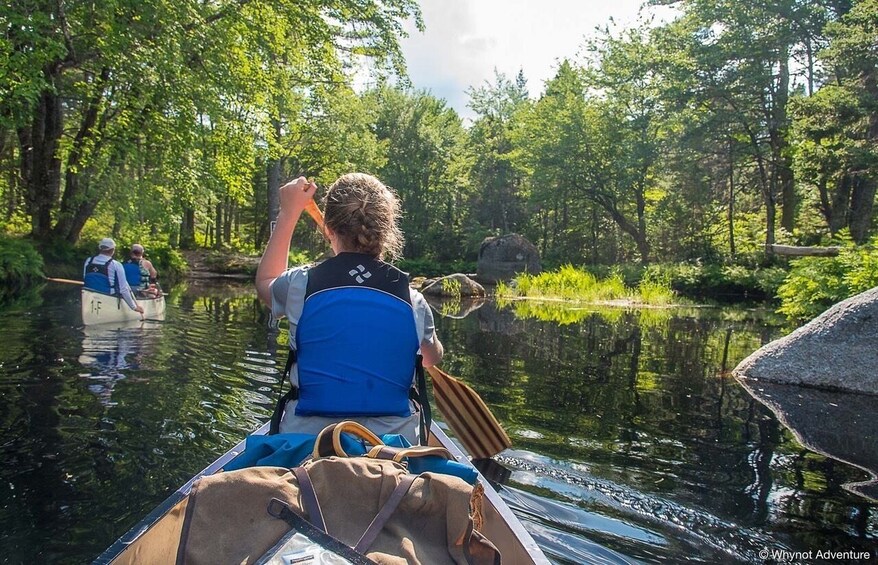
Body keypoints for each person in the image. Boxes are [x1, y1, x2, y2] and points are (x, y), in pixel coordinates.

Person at [256, 174, 443, 444]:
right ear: (386, 232)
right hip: (391, 448)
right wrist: (434, 347)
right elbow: (429, 359)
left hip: (309, 443)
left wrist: (289, 213)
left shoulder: (299, 285)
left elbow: (264, 283)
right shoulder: (412, 300)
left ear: (328, 229)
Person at [83, 238, 144, 316]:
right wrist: (134, 307)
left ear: (100, 248)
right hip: (108, 295)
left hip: (88, 293)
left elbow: (85, 278)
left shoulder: (88, 260)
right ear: (113, 250)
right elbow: (124, 289)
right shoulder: (116, 265)